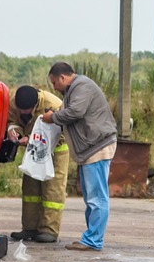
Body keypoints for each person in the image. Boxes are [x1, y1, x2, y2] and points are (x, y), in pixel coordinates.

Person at [43, 61, 118, 251]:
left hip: (97, 147)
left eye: (54, 83)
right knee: (90, 197)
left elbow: (76, 112)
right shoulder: (73, 90)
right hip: (89, 149)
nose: (54, 87)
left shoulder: (81, 86)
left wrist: (52, 118)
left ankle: (93, 241)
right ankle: (90, 238)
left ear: (62, 77)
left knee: (97, 197)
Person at [7, 85, 70, 243]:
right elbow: (12, 121)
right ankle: (29, 228)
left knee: (52, 190)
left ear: (35, 105)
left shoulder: (54, 105)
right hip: (33, 150)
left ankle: (49, 230)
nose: (23, 113)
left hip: (55, 149)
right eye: (21, 110)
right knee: (30, 190)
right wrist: (14, 131)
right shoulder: (14, 103)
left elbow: (62, 129)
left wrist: (33, 138)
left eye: (27, 110)